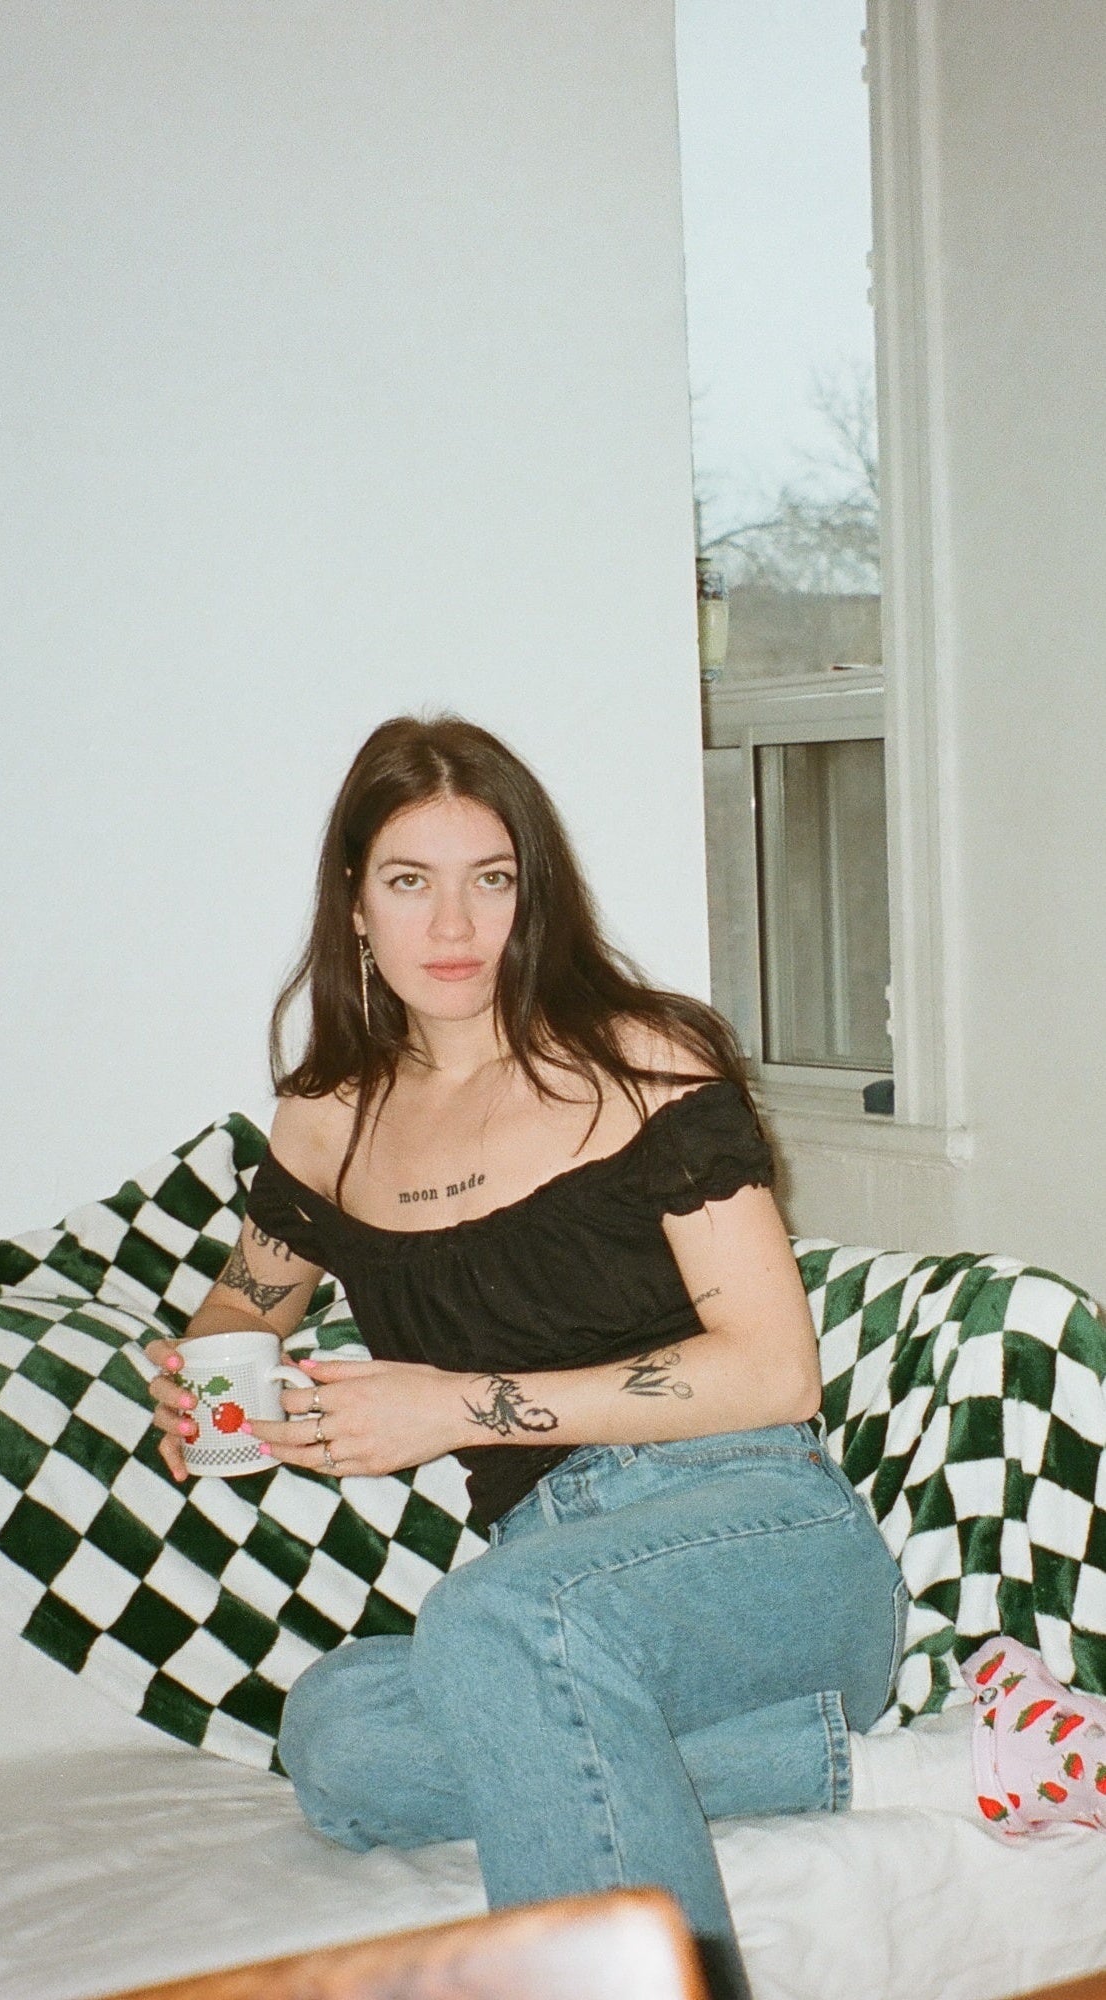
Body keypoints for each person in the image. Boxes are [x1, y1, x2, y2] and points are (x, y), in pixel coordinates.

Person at [145, 714, 906, 2000]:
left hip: (755, 1527)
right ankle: (836, 1762)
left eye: (489, 878)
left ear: (530, 889)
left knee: (492, 1619)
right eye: (410, 880)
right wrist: (206, 1382)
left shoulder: (643, 1060)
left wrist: (457, 1405)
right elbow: (243, 1303)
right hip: (550, 1582)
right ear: (354, 900)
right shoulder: (329, 1118)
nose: (454, 924)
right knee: (337, 1732)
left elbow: (774, 1372)